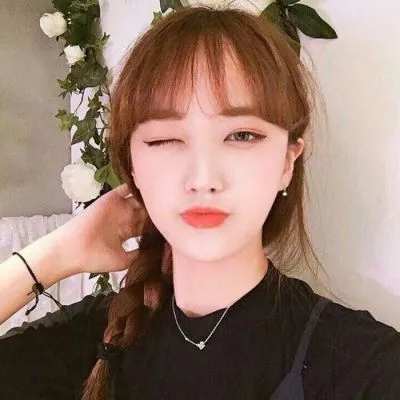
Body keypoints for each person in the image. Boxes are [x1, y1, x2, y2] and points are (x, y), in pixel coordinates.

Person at [0, 5, 399, 400]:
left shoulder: (363, 365)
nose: (203, 178)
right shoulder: (103, 335)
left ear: (286, 163)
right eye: (166, 139)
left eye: (242, 136)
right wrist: (58, 253)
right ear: (132, 168)